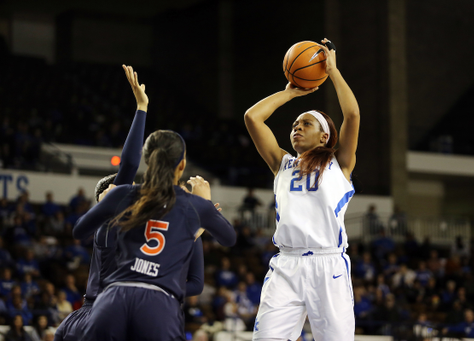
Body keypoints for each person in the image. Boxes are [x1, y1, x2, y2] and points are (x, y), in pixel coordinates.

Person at [245, 38, 359, 341]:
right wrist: (290, 93)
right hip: (287, 263)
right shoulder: (281, 163)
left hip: (328, 263)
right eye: (294, 123)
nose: (296, 127)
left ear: (324, 137)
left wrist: (332, 72)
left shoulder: (340, 163)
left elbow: (352, 116)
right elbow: (252, 117)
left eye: (306, 123)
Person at [74, 127, 235, 340]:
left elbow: (79, 230)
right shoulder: (191, 207)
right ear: (182, 165)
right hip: (155, 303)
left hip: (112, 301)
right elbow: (229, 238)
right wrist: (205, 205)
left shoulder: (126, 196)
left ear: (149, 161)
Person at [53, 65, 148, 341]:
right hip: (101, 314)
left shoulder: (121, 223)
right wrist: (141, 107)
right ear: (102, 197)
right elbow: (130, 163)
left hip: (86, 315)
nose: (126, 191)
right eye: (120, 188)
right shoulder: (109, 215)